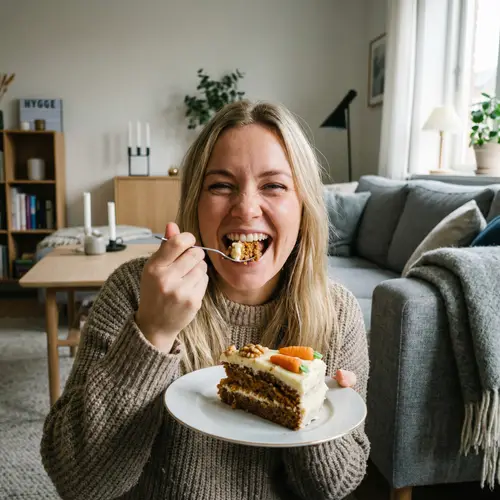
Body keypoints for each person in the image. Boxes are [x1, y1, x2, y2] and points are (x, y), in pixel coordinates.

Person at [40, 100, 369, 500]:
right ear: (195, 201)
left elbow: (333, 488)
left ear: (304, 207)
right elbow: (78, 482)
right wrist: (153, 332)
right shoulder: (134, 290)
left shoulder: (337, 313)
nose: (246, 208)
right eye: (221, 186)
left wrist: (317, 409)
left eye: (274, 186)